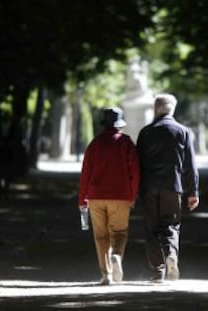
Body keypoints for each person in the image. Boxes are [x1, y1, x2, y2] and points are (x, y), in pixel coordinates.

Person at [136, 93, 199, 283]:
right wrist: (193, 191)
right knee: (171, 225)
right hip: (173, 186)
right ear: (172, 109)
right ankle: (171, 253)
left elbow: (138, 163)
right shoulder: (182, 131)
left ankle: (158, 271)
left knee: (151, 227)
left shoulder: (146, 132)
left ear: (156, 109)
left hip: (149, 186)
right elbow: (190, 164)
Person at [78, 107, 140, 285]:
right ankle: (116, 256)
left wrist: (82, 199)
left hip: (96, 196)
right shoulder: (126, 143)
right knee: (119, 233)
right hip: (121, 196)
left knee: (100, 236)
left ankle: (106, 275)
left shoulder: (95, 144)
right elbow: (135, 171)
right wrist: (133, 194)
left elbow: (85, 173)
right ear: (120, 125)